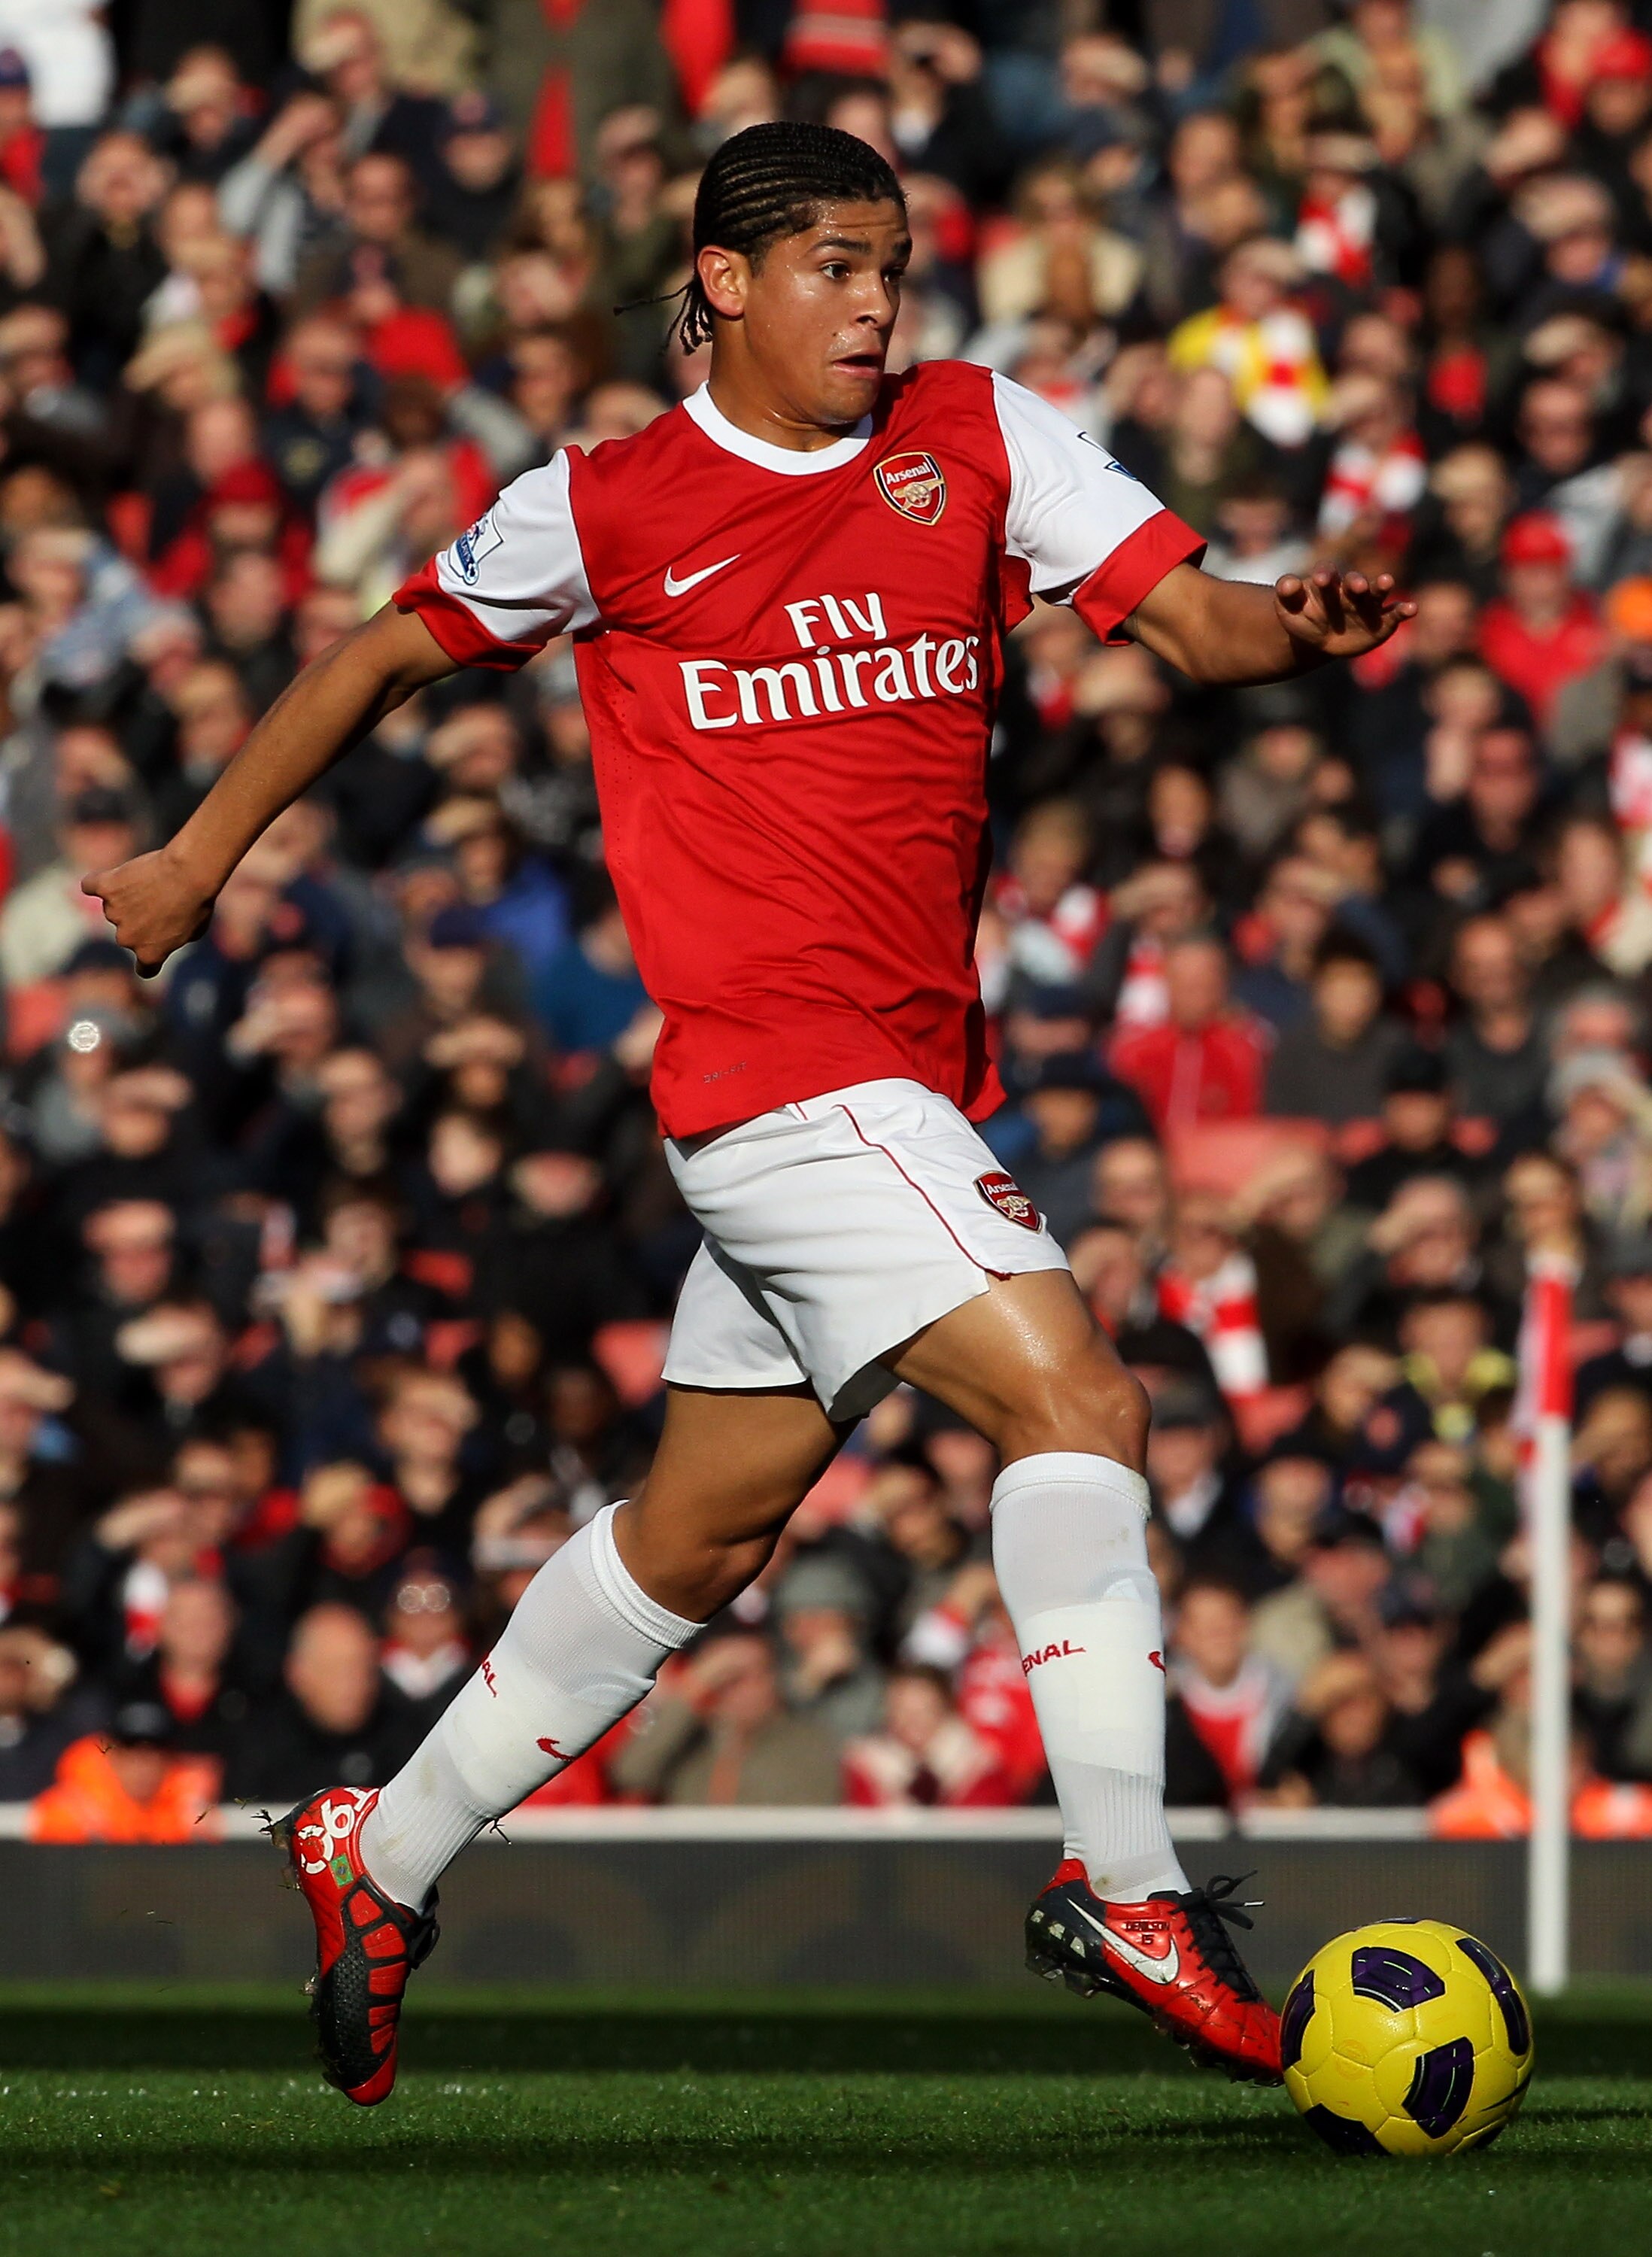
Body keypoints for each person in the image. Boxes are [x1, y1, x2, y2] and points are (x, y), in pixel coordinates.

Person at [84, 120, 1411, 2107]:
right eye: (834, 269)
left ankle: (383, 1849)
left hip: (898, 1079)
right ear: (723, 281)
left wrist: (1293, 622)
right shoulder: (606, 504)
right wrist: (198, 859)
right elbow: (381, 652)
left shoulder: (973, 433)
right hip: (781, 1081)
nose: (877, 306)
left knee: (695, 1537)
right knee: (1080, 1403)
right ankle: (1131, 1892)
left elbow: (1192, 618)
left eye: (893, 268)